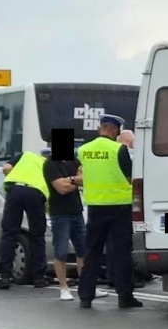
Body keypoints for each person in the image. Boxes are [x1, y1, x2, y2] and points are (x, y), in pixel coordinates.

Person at [76, 114, 141, 310]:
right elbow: (130, 178)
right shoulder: (119, 149)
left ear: (100, 128)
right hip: (119, 207)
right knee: (121, 254)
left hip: (95, 207)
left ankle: (85, 296)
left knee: (92, 253)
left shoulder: (84, 150)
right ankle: (125, 296)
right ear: (114, 130)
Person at [43, 146, 106, 303]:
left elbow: (85, 179)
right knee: (61, 251)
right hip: (60, 213)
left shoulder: (73, 161)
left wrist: (70, 180)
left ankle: (86, 286)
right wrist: (76, 179)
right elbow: (61, 189)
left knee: (83, 250)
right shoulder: (50, 164)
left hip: (77, 211)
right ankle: (63, 288)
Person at [0, 146, 53, 290]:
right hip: (35, 193)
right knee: (37, 235)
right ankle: (38, 277)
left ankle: (4, 276)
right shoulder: (49, 165)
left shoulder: (27, 155)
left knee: (9, 233)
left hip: (15, 190)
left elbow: (6, 168)